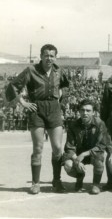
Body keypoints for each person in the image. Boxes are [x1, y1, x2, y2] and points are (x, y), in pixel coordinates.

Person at [5, 44, 69, 194]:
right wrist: (23, 102)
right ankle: (35, 183)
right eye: (46, 55)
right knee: (38, 148)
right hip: (37, 109)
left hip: (54, 109)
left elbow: (66, 86)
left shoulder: (59, 71)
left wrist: (61, 102)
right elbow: (13, 86)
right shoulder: (31, 71)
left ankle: (57, 180)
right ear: (40, 56)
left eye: (52, 55)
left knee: (58, 148)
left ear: (55, 57)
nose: (49, 58)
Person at [63, 99, 107, 194]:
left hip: (93, 154)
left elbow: (102, 145)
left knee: (99, 159)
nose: (85, 113)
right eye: (82, 110)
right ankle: (80, 177)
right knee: (68, 165)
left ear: (93, 112)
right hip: (78, 154)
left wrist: (84, 154)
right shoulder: (73, 125)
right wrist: (76, 159)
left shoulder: (100, 124)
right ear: (79, 111)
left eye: (88, 110)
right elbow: (69, 146)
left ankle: (96, 184)